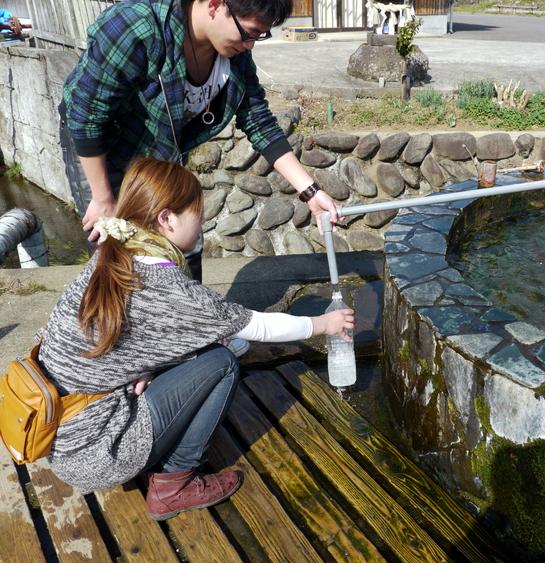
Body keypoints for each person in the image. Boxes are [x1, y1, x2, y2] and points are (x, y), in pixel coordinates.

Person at [38, 157, 354, 520]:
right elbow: (256, 327)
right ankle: (175, 482)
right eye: (196, 213)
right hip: (100, 451)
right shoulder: (165, 285)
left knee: (207, 348)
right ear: (166, 219)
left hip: (64, 438)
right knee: (221, 363)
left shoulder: (109, 257)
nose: (203, 222)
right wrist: (323, 324)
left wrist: (143, 368)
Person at [59, 0, 340, 283]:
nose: (251, 45)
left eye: (259, 36)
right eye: (250, 33)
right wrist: (102, 198)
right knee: (121, 254)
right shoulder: (137, 27)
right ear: (216, 5)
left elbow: (258, 120)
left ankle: (191, 317)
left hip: (163, 154)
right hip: (102, 150)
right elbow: (88, 116)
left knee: (186, 244)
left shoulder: (233, 54)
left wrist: (311, 192)